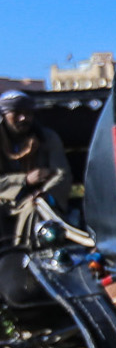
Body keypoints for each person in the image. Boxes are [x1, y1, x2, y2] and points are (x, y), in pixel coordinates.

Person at [0, 90, 71, 245]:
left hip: (37, 198)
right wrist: (24, 180)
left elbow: (61, 173)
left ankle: (29, 255)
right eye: (17, 113)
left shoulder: (47, 138)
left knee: (35, 209)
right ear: (4, 115)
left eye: (28, 113)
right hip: (4, 200)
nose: (23, 118)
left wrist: (46, 194)